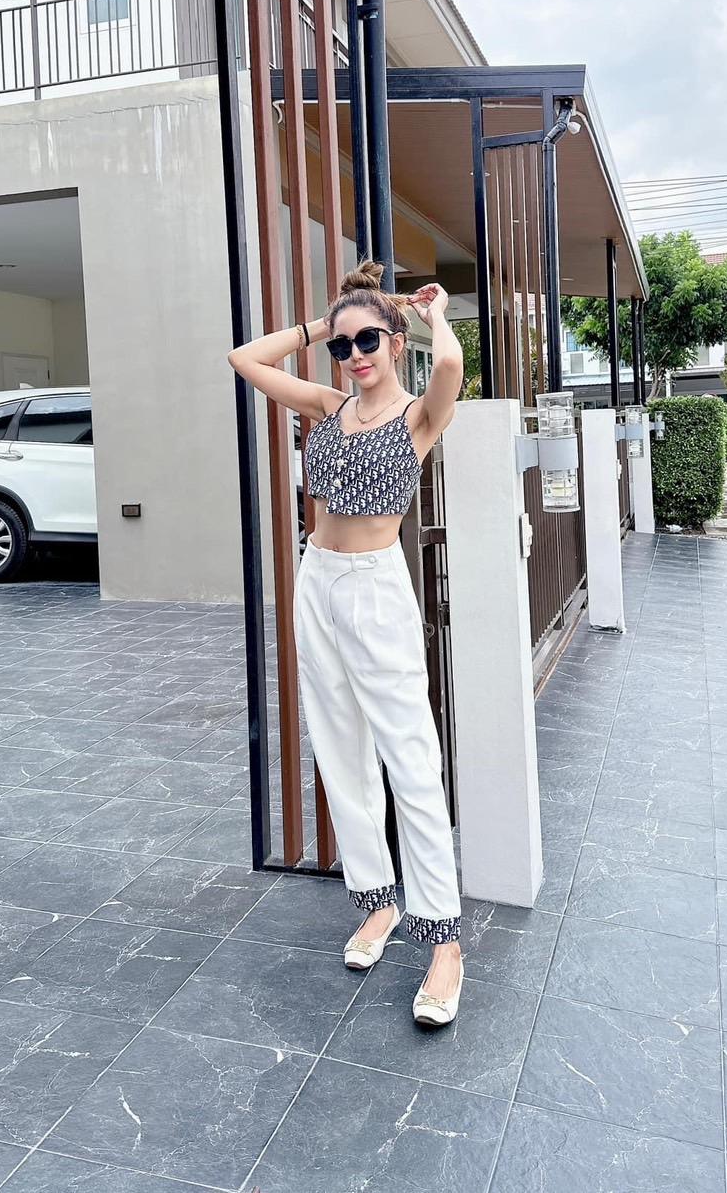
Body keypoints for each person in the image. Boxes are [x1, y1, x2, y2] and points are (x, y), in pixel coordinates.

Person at [227, 259, 465, 1027]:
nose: (355, 354)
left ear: (394, 342)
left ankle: (445, 943)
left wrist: (433, 315)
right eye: (343, 345)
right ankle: (377, 901)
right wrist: (317, 326)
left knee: (409, 759)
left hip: (373, 586)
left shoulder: (418, 415)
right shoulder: (329, 407)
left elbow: (450, 366)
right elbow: (244, 359)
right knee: (339, 747)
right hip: (317, 578)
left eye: (367, 340)